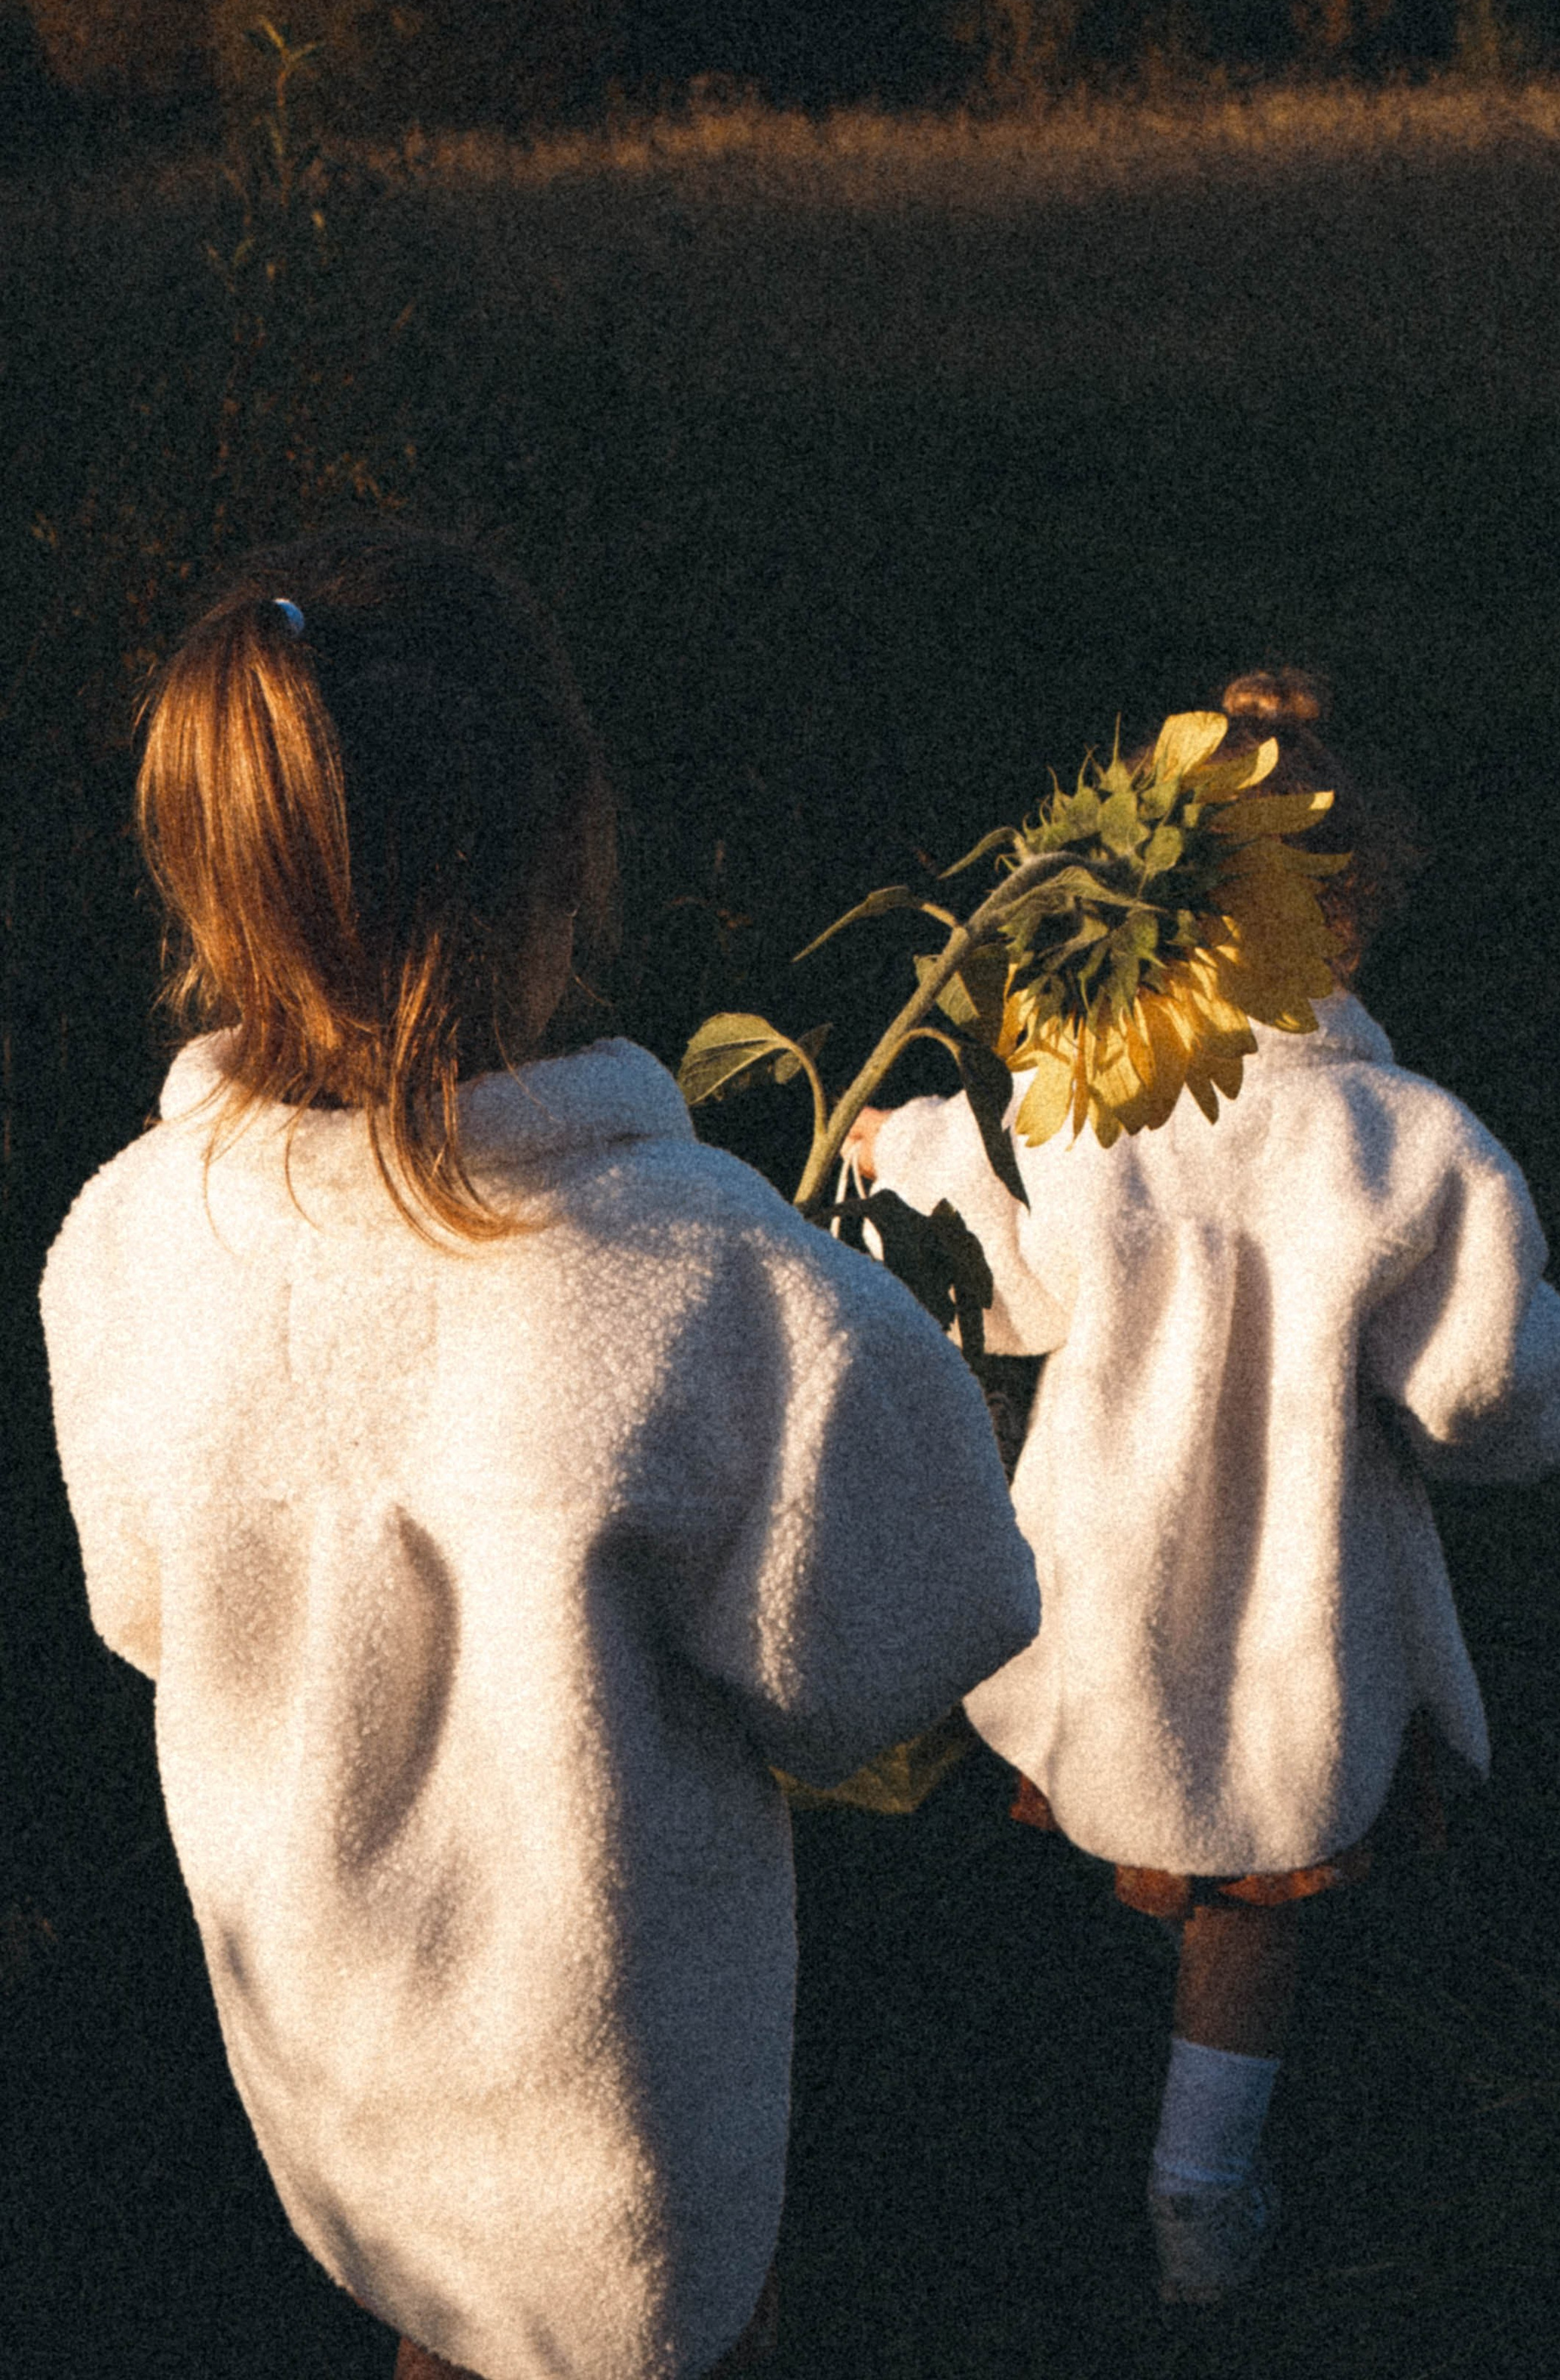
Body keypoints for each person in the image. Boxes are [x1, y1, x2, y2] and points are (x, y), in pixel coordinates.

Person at [40, 527, 1039, 2380]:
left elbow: (139, 1610)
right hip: (619, 2131)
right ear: (570, 839)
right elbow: (897, 1650)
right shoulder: (714, 1287)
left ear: (211, 871)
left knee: (438, 2322)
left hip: (339, 2066)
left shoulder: (124, 1242)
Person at [851, 668, 1560, 2305]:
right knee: (1243, 1911)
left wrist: (894, 1150)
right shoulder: (1403, 1145)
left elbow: (1003, 1290)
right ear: (1345, 914)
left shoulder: (1082, 1104)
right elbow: (1486, 1393)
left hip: (1102, 1578)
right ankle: (1198, 2207)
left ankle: (1004, 2145)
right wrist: (1542, 1367)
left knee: (1112, 1810)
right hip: (1294, 1618)